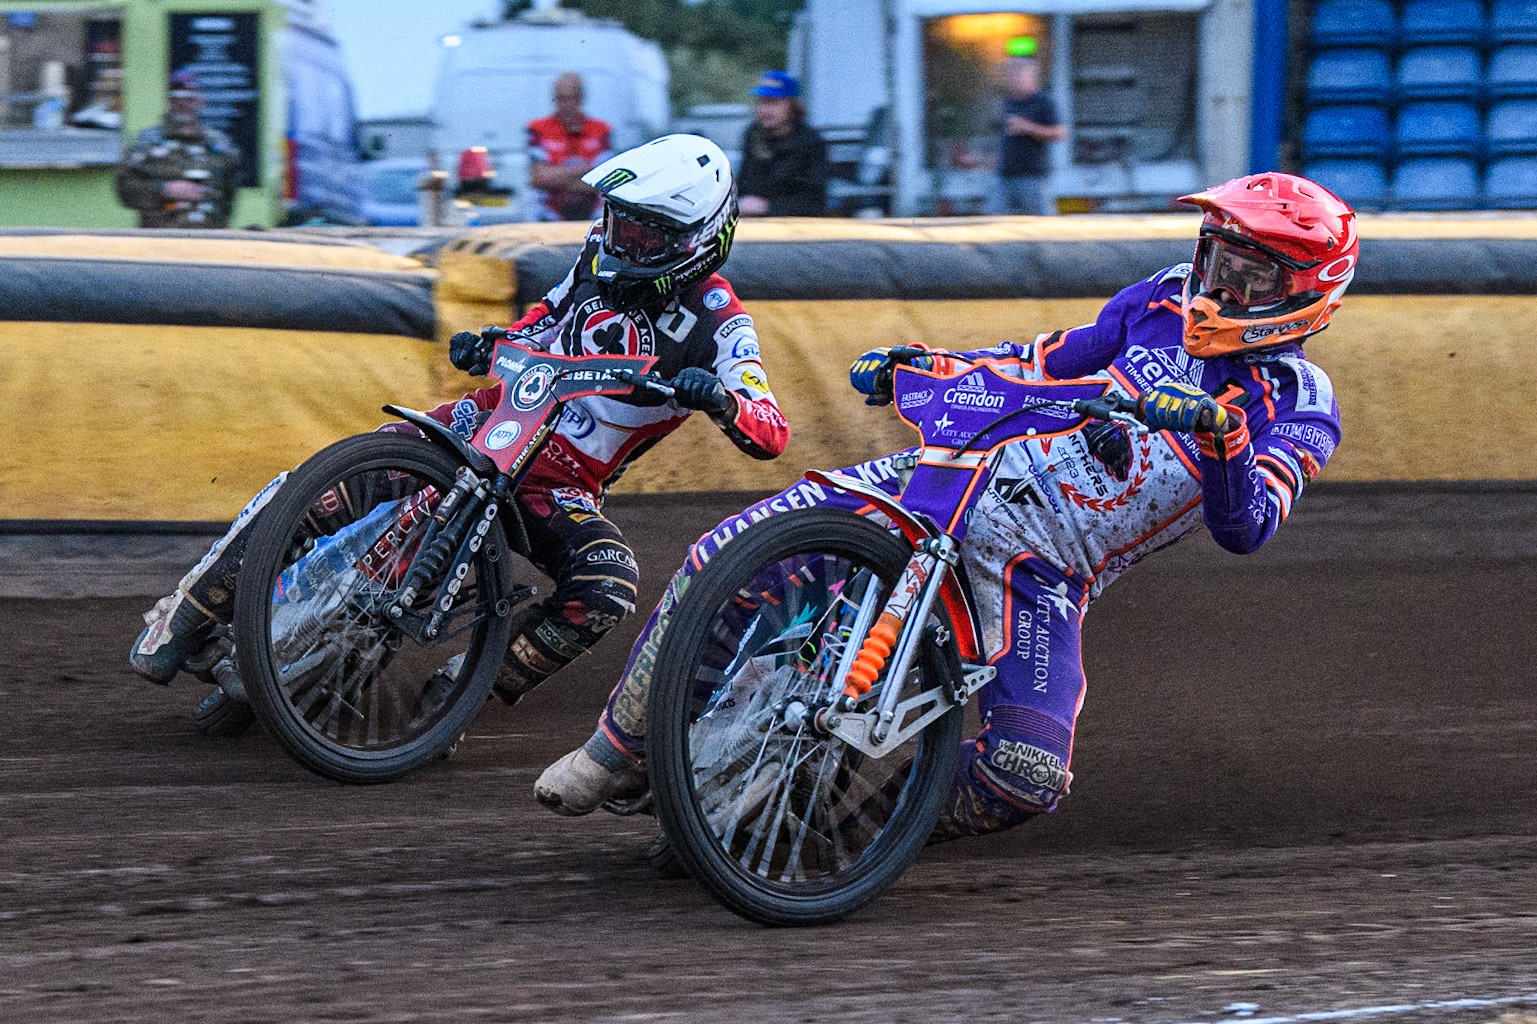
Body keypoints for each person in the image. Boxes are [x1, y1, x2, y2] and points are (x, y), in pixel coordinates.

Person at [535, 172, 1354, 846]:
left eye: (1250, 276)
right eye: (1216, 257)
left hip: (1043, 571)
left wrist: (1223, 440)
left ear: (1303, 294)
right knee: (732, 547)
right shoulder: (1159, 299)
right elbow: (1041, 357)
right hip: (963, 472)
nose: (1219, 283)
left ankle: (832, 837)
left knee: (1024, 780)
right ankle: (616, 751)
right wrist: (928, 362)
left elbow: (1244, 527)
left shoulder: (1300, 405)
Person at [129, 135, 790, 719]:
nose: (621, 241)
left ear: (696, 239)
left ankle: (465, 689)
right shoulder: (595, 258)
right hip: (488, 422)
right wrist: (495, 340)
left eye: (643, 235)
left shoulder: (718, 320)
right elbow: (545, 316)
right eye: (618, 223)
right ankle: (188, 613)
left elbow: (771, 426)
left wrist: (724, 402)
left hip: (560, 484)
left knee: (608, 586)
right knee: (326, 484)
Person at [114, 71, 239, 229]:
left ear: (200, 101)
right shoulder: (147, 143)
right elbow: (124, 189)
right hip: (161, 239)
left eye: (189, 98)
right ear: (169, 102)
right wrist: (164, 189)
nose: (182, 104)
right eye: (176, 98)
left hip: (208, 239)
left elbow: (229, 195)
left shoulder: (219, 145)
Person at [736, 71, 828, 217]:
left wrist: (767, 207)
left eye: (773, 103)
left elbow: (814, 201)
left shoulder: (811, 142)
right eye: (761, 102)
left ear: (791, 106)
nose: (764, 110)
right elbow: (745, 183)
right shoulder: (753, 135)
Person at [527, 72, 612, 222]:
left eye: (571, 98)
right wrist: (586, 170)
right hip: (550, 216)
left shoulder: (601, 130)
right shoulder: (538, 128)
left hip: (592, 215)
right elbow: (538, 178)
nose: (566, 105)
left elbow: (604, 182)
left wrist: (557, 175)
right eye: (561, 98)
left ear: (581, 99)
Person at [990, 56, 1066, 217]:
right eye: (1011, 75)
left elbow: (1060, 133)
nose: (1014, 79)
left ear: (1031, 76)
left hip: (1031, 177)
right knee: (992, 220)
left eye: (1018, 74)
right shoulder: (1008, 102)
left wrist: (1027, 128)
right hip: (1004, 176)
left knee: (1041, 223)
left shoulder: (1043, 102)